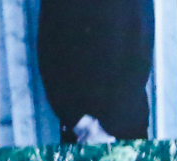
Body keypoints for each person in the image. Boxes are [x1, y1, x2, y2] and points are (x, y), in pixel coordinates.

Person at [37, 0, 153, 144]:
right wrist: (80, 122)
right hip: (78, 128)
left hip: (127, 121)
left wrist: (108, 126)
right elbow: (48, 57)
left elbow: (141, 56)